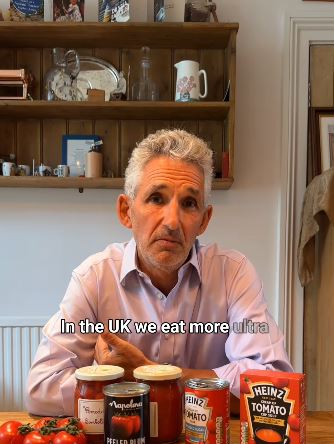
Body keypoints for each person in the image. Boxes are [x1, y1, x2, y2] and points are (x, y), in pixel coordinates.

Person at [26, 128, 292, 417]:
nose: (172, 221)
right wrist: (125, 377)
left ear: (204, 220)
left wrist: (143, 374)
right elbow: (41, 389)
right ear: (127, 211)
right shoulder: (95, 277)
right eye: (156, 198)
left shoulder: (234, 273)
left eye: (189, 203)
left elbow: (273, 386)